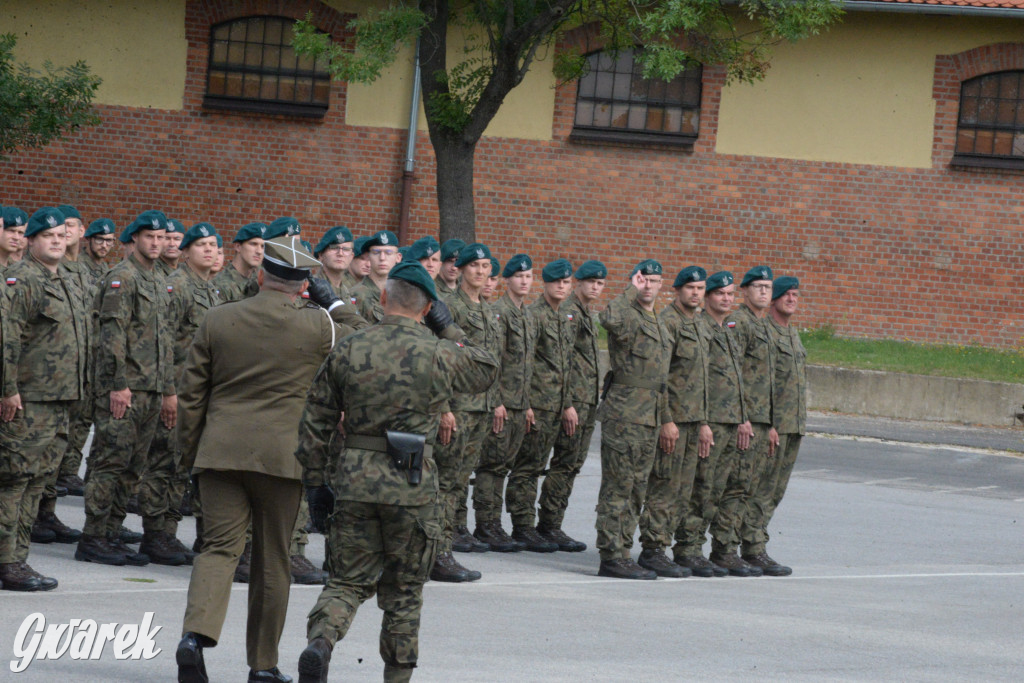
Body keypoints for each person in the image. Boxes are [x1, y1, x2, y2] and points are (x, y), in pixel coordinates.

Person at [296, 261, 498, 683]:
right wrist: (449, 328)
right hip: (412, 483)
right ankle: (397, 677)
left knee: (346, 582)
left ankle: (321, 642)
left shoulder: (351, 347)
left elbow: (315, 418)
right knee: (404, 593)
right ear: (427, 309)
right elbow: (486, 367)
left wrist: (315, 482)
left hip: (355, 480)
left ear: (384, 299)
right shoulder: (440, 352)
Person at [175, 235, 356, 683]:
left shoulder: (218, 319)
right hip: (284, 457)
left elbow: (191, 395)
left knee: (217, 550)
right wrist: (334, 305)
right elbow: (368, 343)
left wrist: (192, 455)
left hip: (219, 451)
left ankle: (194, 639)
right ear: (303, 286)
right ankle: (263, 665)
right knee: (273, 560)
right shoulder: (321, 326)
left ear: (261, 275)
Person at [76, 210, 176, 566]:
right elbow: (112, 334)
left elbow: (165, 341)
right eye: (150, 237)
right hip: (125, 388)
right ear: (134, 239)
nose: (157, 243)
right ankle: (93, 537)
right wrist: (118, 384)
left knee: (134, 466)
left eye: (162, 237)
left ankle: (112, 532)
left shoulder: (159, 280)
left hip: (151, 389)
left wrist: (167, 390)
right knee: (110, 462)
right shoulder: (123, 277)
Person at [1, 207, 86, 591]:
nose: (55, 240)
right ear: (31, 241)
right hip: (28, 400)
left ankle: (18, 558)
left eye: (60, 235)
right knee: (13, 480)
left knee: (37, 482)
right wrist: (7, 390)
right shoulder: (23, 280)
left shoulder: (64, 279)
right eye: (46, 235)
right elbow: (7, 339)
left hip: (60, 400)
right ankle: (6, 561)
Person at [137, 223, 222, 566]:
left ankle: (169, 532)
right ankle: (157, 534)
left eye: (213, 245)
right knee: (165, 463)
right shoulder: (178, 286)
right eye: (200, 244)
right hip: (177, 391)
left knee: (182, 466)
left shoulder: (210, 289)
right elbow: (165, 343)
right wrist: (169, 391)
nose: (208, 250)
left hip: (200, 394)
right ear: (186, 251)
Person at [677, 271, 762, 577]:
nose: (726, 299)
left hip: (731, 420)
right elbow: (695, 379)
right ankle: (688, 548)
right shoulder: (699, 328)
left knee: (723, 489)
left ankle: (717, 550)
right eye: (720, 294)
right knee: (702, 487)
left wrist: (743, 417)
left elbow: (736, 378)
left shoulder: (728, 329)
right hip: (710, 420)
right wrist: (702, 422)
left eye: (730, 294)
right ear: (708, 297)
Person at [594, 260, 671, 580]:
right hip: (624, 415)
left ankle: (624, 549)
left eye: (654, 280)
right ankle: (610, 554)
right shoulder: (626, 314)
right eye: (643, 280)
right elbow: (607, 318)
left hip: (649, 416)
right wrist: (630, 289)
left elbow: (660, 377)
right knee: (618, 486)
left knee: (638, 487)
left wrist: (665, 417)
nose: (649, 286)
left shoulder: (660, 322)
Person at [431, 243, 500, 581]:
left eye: (486, 266)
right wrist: (444, 408)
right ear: (460, 270)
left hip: (481, 408)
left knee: (458, 483)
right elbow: (439, 358)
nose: (481, 271)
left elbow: (492, 363)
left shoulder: (488, 308)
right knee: (444, 482)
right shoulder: (451, 307)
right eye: (474, 265)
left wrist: (495, 401)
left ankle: (443, 547)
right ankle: (438, 553)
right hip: (458, 407)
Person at [637, 266, 711, 577]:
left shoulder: (699, 325)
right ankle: (652, 549)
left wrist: (705, 422)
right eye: (690, 288)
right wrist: (666, 419)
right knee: (664, 485)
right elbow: (660, 377)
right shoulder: (667, 322)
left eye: (700, 288)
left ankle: (675, 548)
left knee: (684, 489)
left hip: (694, 421)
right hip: (673, 421)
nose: (696, 293)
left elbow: (701, 379)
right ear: (678, 291)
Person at [506, 258, 579, 554]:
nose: (562, 287)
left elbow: (564, 365)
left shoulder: (563, 316)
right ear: (545, 284)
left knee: (549, 466)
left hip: (557, 404)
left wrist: (567, 404)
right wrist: (527, 403)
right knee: (528, 467)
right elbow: (525, 363)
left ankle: (547, 526)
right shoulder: (534, 315)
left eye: (566, 282)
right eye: (556, 282)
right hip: (536, 402)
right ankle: (522, 526)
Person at [540, 259, 607, 552]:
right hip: (574, 401)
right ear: (578, 283)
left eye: (600, 283)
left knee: (573, 464)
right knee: (565, 462)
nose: (595, 287)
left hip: (588, 399)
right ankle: (548, 525)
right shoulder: (569, 313)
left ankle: (553, 523)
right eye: (591, 281)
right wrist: (567, 403)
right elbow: (562, 360)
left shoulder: (585, 313)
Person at [472, 254, 536, 552]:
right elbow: (494, 361)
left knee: (504, 465)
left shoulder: (526, 314)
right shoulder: (499, 312)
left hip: (519, 402)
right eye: (519, 276)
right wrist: (497, 400)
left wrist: (526, 403)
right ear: (507, 280)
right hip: (501, 403)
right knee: (492, 465)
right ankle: (487, 524)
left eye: (529, 277)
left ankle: (496, 524)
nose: (525, 281)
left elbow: (525, 364)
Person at [728, 266, 788, 576]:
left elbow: (769, 381)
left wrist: (772, 424)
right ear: (746, 291)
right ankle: (725, 549)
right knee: (737, 486)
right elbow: (733, 372)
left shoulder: (764, 325)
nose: (764, 292)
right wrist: (742, 417)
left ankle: (750, 548)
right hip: (745, 420)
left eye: (767, 287)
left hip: (763, 421)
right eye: (758, 287)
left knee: (753, 488)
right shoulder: (739, 323)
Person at [745, 276, 805, 576]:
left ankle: (755, 542)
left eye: (795, 295)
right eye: (786, 295)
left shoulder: (793, 334)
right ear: (775, 300)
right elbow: (759, 382)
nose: (792, 300)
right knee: (762, 488)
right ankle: (753, 547)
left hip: (793, 425)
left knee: (776, 491)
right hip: (773, 426)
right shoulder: (765, 332)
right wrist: (767, 423)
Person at [353, 230, 400, 323]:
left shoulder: (404, 294)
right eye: (376, 252)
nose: (382, 258)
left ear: (398, 257)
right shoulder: (356, 295)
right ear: (369, 256)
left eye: (388, 253)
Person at [212, 222, 265, 303]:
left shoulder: (263, 279)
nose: (259, 251)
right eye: (253, 244)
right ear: (238, 247)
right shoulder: (220, 284)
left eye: (263, 246)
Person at [312, 225, 355, 298]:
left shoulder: (350, 292)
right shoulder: (311, 286)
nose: (340, 254)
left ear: (352, 256)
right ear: (321, 255)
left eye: (345, 249)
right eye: (334, 248)